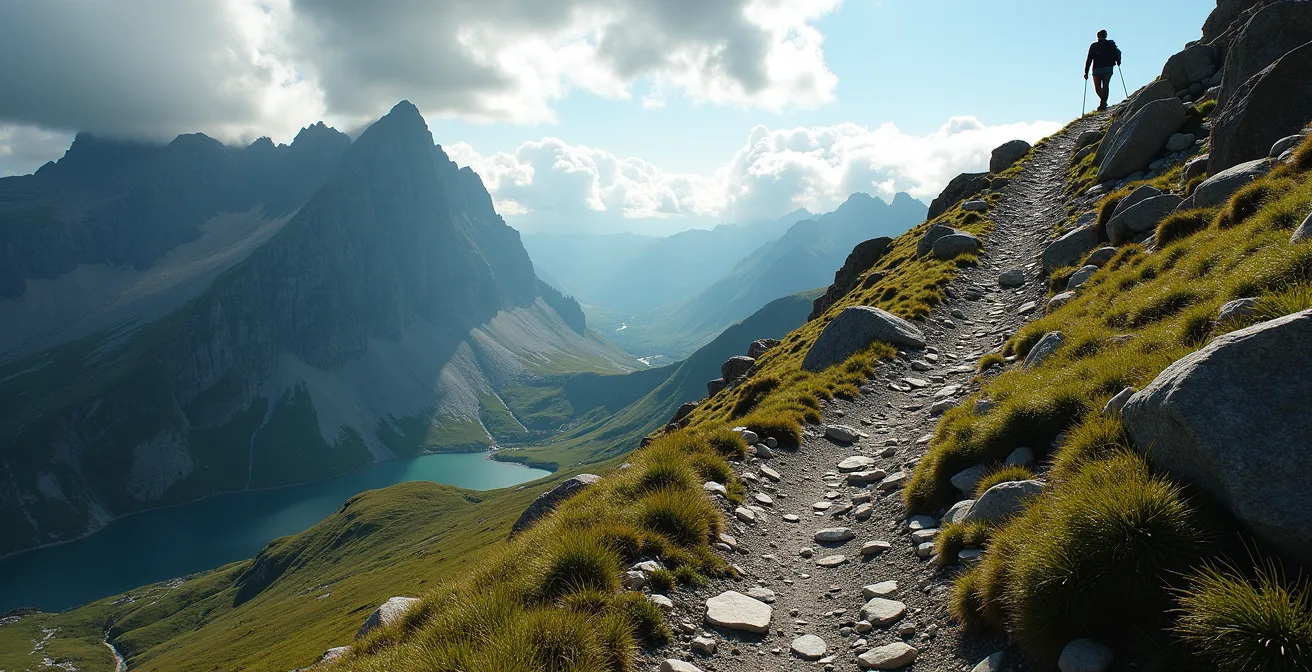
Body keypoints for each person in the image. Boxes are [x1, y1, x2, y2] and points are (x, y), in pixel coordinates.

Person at [1084, 29, 1122, 112]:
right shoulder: (1111, 44)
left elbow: (1089, 59)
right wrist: (1118, 61)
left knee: (1097, 88)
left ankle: (1103, 103)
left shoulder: (1094, 46)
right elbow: (1116, 53)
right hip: (1108, 67)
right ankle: (1103, 102)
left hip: (1096, 69)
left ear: (1097, 36)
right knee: (1105, 86)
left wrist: (1086, 72)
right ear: (1105, 36)